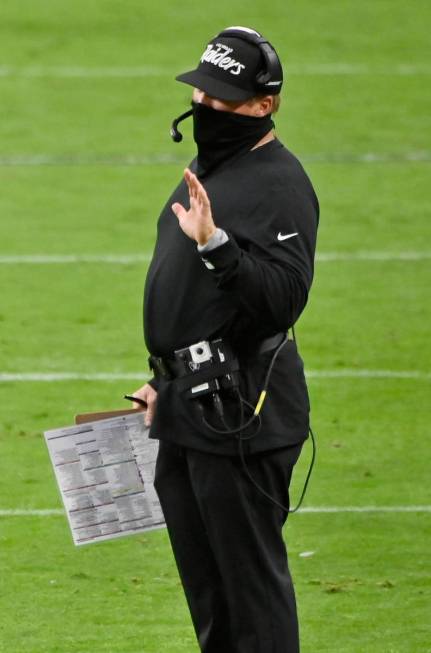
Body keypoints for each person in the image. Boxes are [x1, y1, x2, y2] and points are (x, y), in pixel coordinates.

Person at [132, 26, 319, 653]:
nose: (207, 109)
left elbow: (282, 301)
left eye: (224, 100)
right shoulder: (212, 165)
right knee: (212, 601)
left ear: (265, 105)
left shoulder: (280, 184)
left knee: (252, 602)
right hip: (191, 405)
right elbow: (194, 301)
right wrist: (166, 380)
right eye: (203, 96)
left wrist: (217, 246)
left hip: (242, 415)